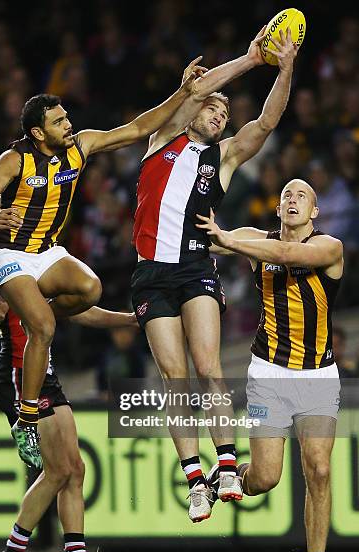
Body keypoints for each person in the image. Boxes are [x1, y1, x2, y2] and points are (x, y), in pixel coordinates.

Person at [0, 59, 202, 468]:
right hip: (9, 254)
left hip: (47, 251)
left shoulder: (82, 146)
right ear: (38, 132)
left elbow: (138, 129)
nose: (69, 125)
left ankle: (39, 311)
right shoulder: (14, 160)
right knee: (43, 326)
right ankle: (26, 420)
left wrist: (182, 93)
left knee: (90, 289)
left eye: (67, 117)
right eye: (59, 122)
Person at [130, 27, 298, 522]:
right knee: (174, 378)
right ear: (194, 114)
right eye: (214, 110)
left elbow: (266, 121)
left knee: (208, 367)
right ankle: (195, 479)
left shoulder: (221, 159)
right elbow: (196, 91)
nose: (221, 116)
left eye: (225, 114)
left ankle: (226, 464)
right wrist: (249, 59)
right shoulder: (163, 139)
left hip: (195, 268)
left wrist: (283, 67)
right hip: (150, 275)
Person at [197, 178, 348, 552]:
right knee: (264, 479)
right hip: (268, 378)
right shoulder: (253, 240)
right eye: (286, 195)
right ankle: (218, 478)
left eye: (302, 196)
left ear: (314, 212)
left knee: (318, 470)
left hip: (318, 376)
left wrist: (228, 240)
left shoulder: (329, 247)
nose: (293, 199)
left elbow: (285, 253)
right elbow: (200, 241)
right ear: (278, 209)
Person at [0, 281, 136, 552]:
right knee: (58, 469)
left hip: (46, 375)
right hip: (19, 374)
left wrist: (127, 319)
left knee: (74, 470)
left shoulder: (46, 264)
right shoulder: (4, 265)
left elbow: (79, 312)